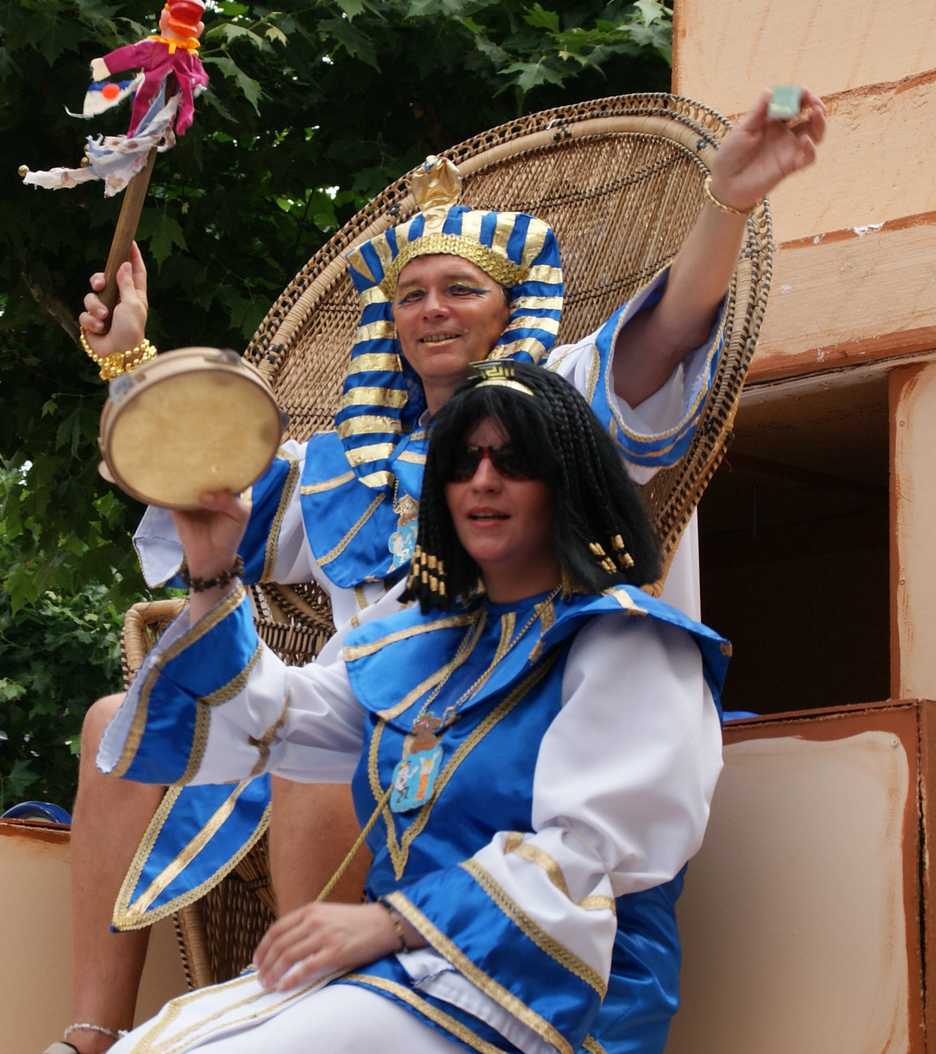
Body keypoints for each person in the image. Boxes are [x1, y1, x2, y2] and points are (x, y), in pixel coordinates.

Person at [54, 87, 824, 1054]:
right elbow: (202, 485)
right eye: (460, 465)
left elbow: (664, 335)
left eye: (460, 287)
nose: (482, 484)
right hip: (389, 755)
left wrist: (725, 208)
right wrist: (134, 376)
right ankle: (107, 1025)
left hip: (525, 980)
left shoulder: (599, 562)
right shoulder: (357, 512)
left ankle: (294, 982)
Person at [96, 361, 729, 1054]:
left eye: (514, 460)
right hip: (403, 970)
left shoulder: (628, 638)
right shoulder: (418, 647)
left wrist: (391, 923)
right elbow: (268, 719)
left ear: (566, 481)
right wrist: (213, 573)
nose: (483, 480)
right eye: (461, 463)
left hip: (555, 995)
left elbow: (587, 859)